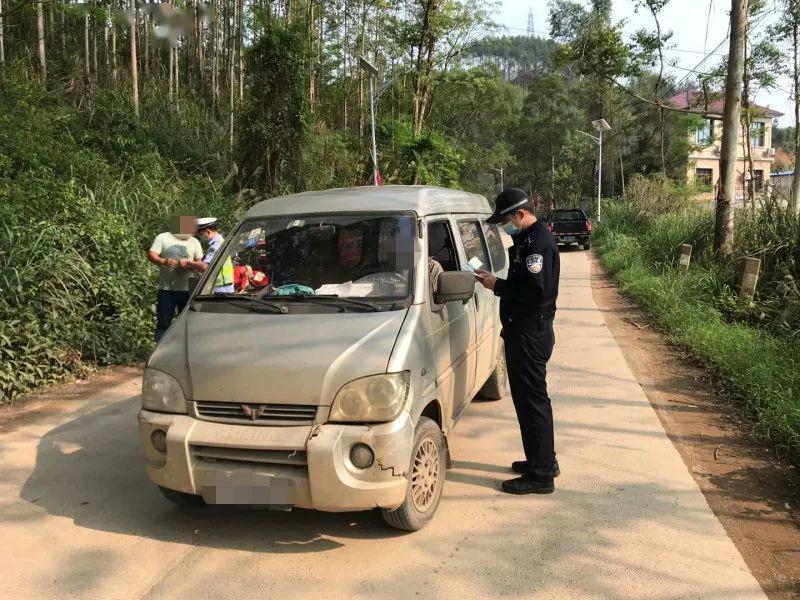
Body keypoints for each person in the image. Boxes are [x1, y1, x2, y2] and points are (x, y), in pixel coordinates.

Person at [475, 188, 561, 495]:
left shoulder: (538, 243)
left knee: (531, 401)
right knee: (533, 401)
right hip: (525, 331)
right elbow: (524, 283)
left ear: (520, 215)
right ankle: (542, 461)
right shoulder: (527, 239)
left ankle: (541, 476)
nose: (503, 227)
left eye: (506, 220)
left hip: (529, 333)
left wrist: (496, 285)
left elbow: (535, 293)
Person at [147, 215, 204, 342]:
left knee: (187, 322)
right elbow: (151, 255)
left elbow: (200, 264)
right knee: (163, 322)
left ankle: (184, 349)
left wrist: (190, 266)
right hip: (167, 289)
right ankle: (159, 351)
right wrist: (164, 261)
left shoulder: (194, 242)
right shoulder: (163, 237)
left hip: (187, 290)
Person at [190, 217, 235, 294]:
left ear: (208, 231)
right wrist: (195, 267)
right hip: (225, 286)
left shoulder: (216, 245)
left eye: (201, 235)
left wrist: (189, 263)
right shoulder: (221, 241)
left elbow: (206, 267)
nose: (201, 238)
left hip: (220, 288)